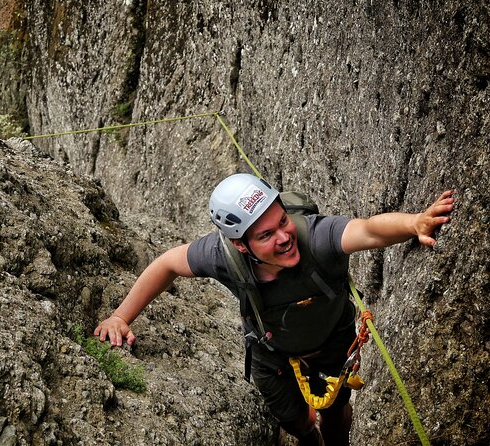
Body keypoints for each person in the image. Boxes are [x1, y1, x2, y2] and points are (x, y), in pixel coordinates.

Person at [94, 173, 454, 446]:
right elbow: (167, 264)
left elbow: (369, 231)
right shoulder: (222, 257)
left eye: (281, 221)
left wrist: (414, 223)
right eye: (265, 235)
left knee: (334, 415)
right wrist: (120, 316)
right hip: (271, 355)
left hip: (333, 345)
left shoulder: (316, 237)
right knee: (294, 422)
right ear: (241, 245)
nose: (283, 237)